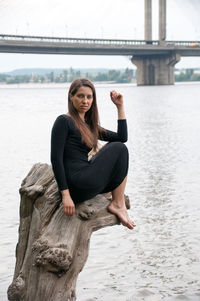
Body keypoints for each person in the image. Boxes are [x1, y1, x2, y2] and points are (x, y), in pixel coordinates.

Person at [51, 78, 135, 230]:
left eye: (89, 97)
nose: (85, 101)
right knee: (119, 149)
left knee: (120, 147)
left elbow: (122, 137)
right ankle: (117, 203)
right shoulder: (64, 121)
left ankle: (118, 202)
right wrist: (65, 195)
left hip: (85, 183)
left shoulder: (89, 125)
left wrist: (120, 107)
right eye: (80, 96)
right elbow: (56, 159)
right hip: (77, 183)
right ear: (71, 96)